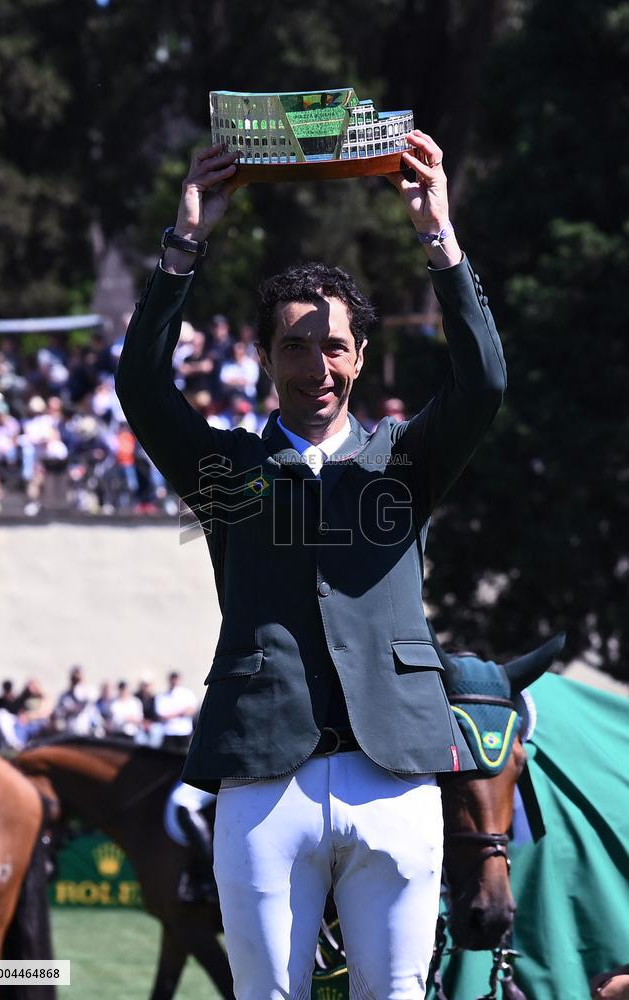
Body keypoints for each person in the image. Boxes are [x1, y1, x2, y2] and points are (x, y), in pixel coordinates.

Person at [115, 132, 506, 999]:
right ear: (264, 358)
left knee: (397, 994)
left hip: (396, 770)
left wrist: (438, 235)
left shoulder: (408, 461)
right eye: (295, 346)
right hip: (263, 771)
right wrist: (186, 243)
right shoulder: (225, 472)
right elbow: (141, 389)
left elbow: (482, 383)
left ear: (361, 357)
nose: (317, 366)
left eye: (334, 347)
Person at [153, 671, 198, 749]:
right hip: (168, 732)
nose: (174, 681)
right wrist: (181, 713)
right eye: (172, 679)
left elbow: (192, 710)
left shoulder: (187, 694)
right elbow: (161, 715)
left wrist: (173, 714)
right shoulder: (162, 696)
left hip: (183, 732)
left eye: (176, 679)